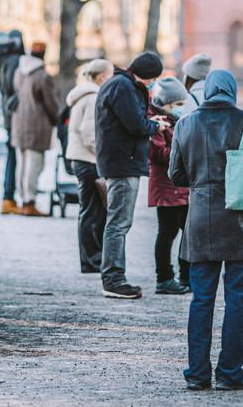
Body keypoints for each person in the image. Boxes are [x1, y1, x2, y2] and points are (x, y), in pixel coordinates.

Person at [169, 70, 243, 391]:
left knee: (201, 299)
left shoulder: (185, 124)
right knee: (238, 301)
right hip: (241, 222)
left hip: (201, 221)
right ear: (231, 90)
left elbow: (177, 175)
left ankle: (197, 374)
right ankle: (230, 373)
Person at [95, 51, 167, 299]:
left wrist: (150, 121)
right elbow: (135, 125)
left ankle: (113, 276)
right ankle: (113, 279)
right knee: (119, 223)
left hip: (119, 161)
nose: (152, 84)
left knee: (118, 222)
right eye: (152, 79)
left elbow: (131, 120)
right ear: (145, 75)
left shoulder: (119, 84)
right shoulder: (124, 87)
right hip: (122, 163)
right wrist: (155, 125)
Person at [64, 58, 113, 274]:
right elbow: (89, 132)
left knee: (89, 210)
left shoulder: (82, 94)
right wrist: (102, 153)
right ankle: (92, 260)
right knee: (93, 212)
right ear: (102, 76)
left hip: (80, 159)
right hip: (89, 160)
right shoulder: (93, 97)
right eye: (110, 75)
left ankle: (90, 260)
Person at [148, 77, 192, 295]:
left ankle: (186, 275)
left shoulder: (176, 121)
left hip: (182, 186)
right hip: (165, 186)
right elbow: (157, 154)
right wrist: (185, 153)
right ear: (168, 102)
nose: (181, 108)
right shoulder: (155, 121)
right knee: (167, 232)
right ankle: (164, 278)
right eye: (179, 103)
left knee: (188, 231)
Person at [11, 42, 59, 217]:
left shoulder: (19, 71)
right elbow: (50, 104)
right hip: (37, 125)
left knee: (22, 163)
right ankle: (29, 202)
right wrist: (56, 119)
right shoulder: (42, 75)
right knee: (34, 164)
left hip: (19, 123)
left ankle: (23, 197)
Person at [0, 30, 25, 214]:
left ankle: (9, 196)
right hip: (14, 116)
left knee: (12, 155)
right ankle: (9, 196)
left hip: (8, 115)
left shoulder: (4, 61)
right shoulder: (14, 61)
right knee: (14, 156)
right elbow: (13, 88)